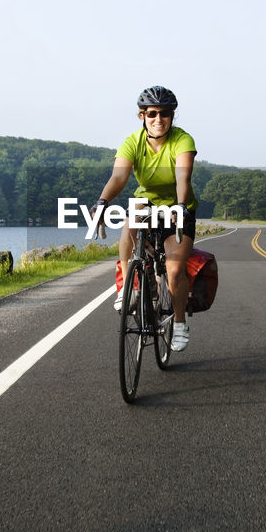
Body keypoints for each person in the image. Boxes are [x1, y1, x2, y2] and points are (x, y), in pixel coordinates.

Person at [94, 86, 197, 352]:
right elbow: (118, 178)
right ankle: (127, 288)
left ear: (172, 116)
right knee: (132, 216)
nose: (158, 119)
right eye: (152, 113)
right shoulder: (132, 142)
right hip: (147, 202)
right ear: (142, 115)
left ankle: (181, 323)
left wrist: (181, 207)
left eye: (165, 113)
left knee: (174, 270)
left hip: (178, 206)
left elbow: (182, 178)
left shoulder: (182, 140)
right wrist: (103, 203)